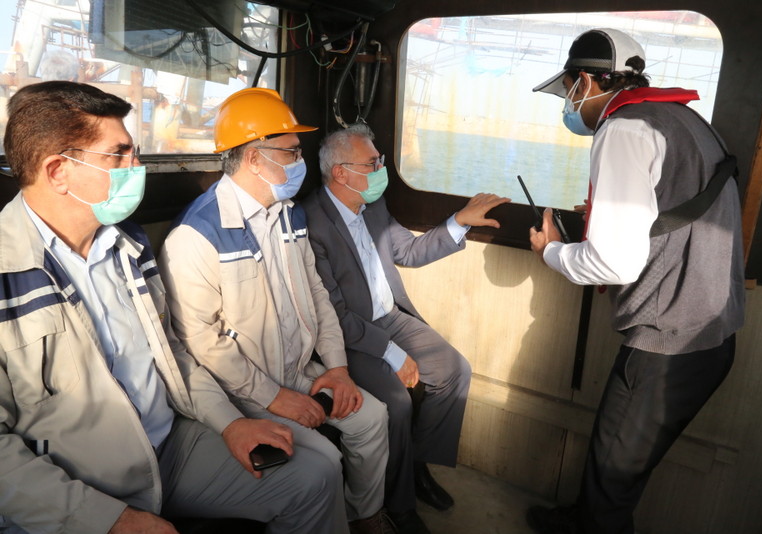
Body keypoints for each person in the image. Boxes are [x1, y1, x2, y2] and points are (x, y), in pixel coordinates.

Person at [0, 81, 341, 533]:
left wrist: (229, 423)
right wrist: (108, 520)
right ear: (58, 171)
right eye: (118, 155)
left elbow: (173, 353)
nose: (136, 167)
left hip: (169, 444)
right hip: (76, 481)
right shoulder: (7, 273)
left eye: (135, 152)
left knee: (316, 476)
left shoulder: (130, 245)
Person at [526, 28, 745, 534]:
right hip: (712, 333)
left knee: (613, 477)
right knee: (618, 462)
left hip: (668, 345)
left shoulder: (623, 129)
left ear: (586, 82)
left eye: (568, 91)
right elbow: (675, 204)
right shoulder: (685, 120)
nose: (569, 104)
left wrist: (551, 251)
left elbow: (614, 263)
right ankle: (580, 519)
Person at [157, 88, 393, 534]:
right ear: (253, 159)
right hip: (243, 388)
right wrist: (272, 397)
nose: (300, 162)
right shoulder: (196, 235)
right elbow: (202, 342)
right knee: (325, 461)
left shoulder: (288, 214)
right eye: (291, 152)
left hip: (299, 369)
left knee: (373, 417)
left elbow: (318, 294)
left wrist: (337, 368)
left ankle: (365, 516)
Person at [302, 124, 511, 534]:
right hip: (349, 336)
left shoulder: (372, 204)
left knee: (454, 370)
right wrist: (393, 353)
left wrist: (458, 221)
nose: (381, 169)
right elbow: (334, 315)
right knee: (396, 403)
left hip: (390, 316)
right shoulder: (312, 222)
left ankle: (414, 467)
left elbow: (409, 251)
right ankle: (398, 504)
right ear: (341, 172)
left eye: (380, 160)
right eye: (372, 163)